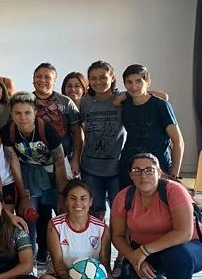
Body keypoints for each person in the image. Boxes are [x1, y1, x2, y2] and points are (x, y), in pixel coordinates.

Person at [111, 153, 202, 279]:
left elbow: (184, 232)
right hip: (146, 251)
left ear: (159, 172)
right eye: (137, 170)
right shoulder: (123, 197)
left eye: (149, 170)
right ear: (130, 175)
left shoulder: (174, 191)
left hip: (188, 248)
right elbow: (118, 236)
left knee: (177, 255)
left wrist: (144, 251)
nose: (143, 175)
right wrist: (134, 257)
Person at [40, 179, 138, 279]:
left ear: (91, 201)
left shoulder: (101, 228)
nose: (78, 203)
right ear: (66, 201)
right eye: (72, 198)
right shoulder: (55, 225)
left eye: (83, 198)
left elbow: (106, 266)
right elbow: (58, 266)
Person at [0, 92, 68, 264]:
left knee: (55, 212)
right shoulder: (8, 132)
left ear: (35, 112)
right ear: (11, 114)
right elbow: (13, 163)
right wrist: (23, 197)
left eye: (27, 113)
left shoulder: (47, 130)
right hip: (28, 173)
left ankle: (55, 252)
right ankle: (28, 256)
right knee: (29, 214)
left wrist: (61, 194)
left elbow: (59, 163)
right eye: (18, 113)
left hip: (51, 172)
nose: (23, 118)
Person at [120, 64, 183, 188]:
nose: (133, 86)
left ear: (148, 82)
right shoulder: (126, 105)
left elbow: (178, 141)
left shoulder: (161, 106)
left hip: (157, 167)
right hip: (130, 166)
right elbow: (116, 100)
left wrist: (174, 174)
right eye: (129, 82)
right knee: (130, 204)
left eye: (139, 81)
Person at [79, 61, 125, 219]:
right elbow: (79, 130)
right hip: (90, 168)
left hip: (116, 168)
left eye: (103, 77)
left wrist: (127, 95)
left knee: (120, 212)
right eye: (93, 78)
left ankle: (120, 244)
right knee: (95, 212)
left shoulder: (122, 99)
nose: (98, 82)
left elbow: (162, 96)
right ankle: (100, 244)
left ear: (112, 78)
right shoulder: (85, 102)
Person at [32, 63, 83, 179]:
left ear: (54, 81)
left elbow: (77, 131)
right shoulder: (26, 101)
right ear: (33, 79)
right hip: (35, 163)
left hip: (64, 158)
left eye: (47, 77)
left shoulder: (65, 102)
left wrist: (75, 159)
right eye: (38, 76)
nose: (42, 80)